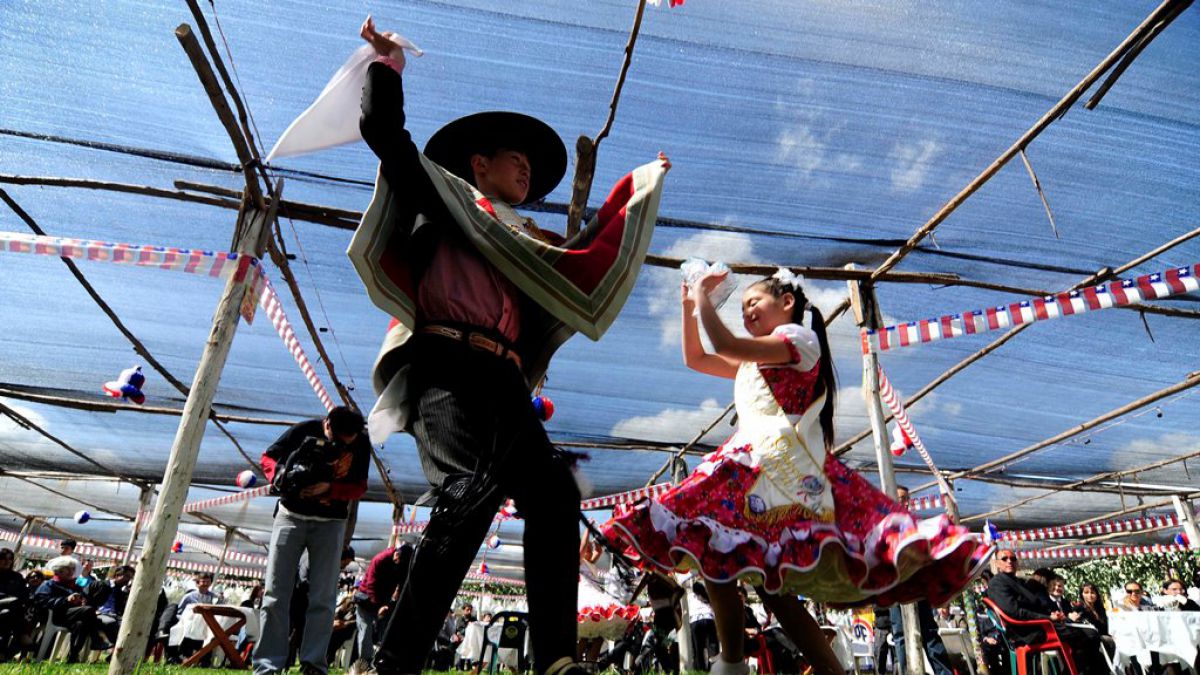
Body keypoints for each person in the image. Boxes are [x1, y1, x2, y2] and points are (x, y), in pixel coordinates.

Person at [354, 15, 667, 675]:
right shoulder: (445, 204)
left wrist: (629, 203)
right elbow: (387, 138)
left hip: (505, 382)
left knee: (554, 491)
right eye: (514, 158)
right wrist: (388, 69)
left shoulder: (527, 245)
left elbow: (583, 269)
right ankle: (395, 659)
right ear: (478, 165)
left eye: (531, 164)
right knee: (468, 492)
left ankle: (555, 659)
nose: (526, 168)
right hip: (446, 367)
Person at [604, 269, 992, 675]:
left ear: (787, 303)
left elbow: (722, 342)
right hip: (751, 462)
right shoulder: (755, 361)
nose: (746, 311)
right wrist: (689, 306)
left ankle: (742, 663)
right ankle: (739, 662)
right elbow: (697, 357)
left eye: (753, 302)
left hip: (777, 467)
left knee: (743, 567)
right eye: (742, 307)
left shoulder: (798, 340)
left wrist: (703, 294)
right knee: (726, 559)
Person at [254, 406, 371, 675]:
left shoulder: (362, 442)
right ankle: (268, 665)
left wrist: (330, 489)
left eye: (347, 443)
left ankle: (314, 664)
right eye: (337, 439)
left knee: (324, 596)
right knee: (275, 592)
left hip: (331, 524)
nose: (340, 445)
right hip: (290, 517)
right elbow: (268, 458)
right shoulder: (303, 430)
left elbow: (360, 486)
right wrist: (279, 475)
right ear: (326, 423)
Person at [985, 548, 1106, 674]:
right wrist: (1048, 618)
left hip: (1038, 626)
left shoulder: (1017, 581)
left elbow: (1031, 606)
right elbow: (1014, 612)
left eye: (1013, 559)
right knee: (1090, 635)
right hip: (1028, 631)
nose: (1009, 561)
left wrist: (1050, 614)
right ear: (997, 563)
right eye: (1004, 559)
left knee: (1090, 636)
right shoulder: (998, 583)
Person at [889, 487, 955, 675]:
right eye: (899, 498)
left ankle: (944, 672)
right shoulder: (885, 524)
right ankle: (906, 671)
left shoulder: (915, 524)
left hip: (918, 583)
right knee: (901, 634)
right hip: (895, 585)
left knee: (928, 631)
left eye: (905, 498)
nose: (904, 502)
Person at [33, 556, 109, 661]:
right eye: (67, 568)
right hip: (56, 615)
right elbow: (42, 602)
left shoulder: (74, 586)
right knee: (88, 610)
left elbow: (82, 598)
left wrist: (81, 601)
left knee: (81, 623)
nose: (71, 571)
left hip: (72, 616)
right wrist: (66, 600)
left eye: (73, 569)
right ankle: (96, 639)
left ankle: (73, 656)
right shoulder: (49, 584)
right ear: (58, 570)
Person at [353, 544, 413, 663]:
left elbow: (402, 584)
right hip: (366, 600)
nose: (397, 561)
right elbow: (371, 584)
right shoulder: (380, 559)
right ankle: (365, 663)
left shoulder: (403, 565)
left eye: (401, 561)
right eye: (397, 558)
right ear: (396, 553)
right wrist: (378, 606)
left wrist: (392, 604)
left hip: (384, 602)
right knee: (365, 631)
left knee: (385, 633)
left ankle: (383, 661)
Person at [176, 572, 220, 665]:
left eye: (207, 582)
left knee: (212, 634)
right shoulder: (189, 597)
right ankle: (186, 658)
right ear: (197, 583)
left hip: (208, 625)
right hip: (191, 625)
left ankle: (204, 660)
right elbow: (179, 612)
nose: (205, 584)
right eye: (203, 582)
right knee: (190, 629)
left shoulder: (214, 598)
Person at [91, 564, 134, 643]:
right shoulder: (101, 584)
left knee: (130, 629)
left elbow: (121, 609)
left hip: (114, 616)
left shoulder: (121, 593)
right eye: (127, 576)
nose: (128, 580)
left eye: (130, 578)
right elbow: (86, 598)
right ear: (118, 575)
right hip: (99, 614)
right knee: (115, 626)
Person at [0, 548, 28, 660]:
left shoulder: (17, 577)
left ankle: (3, 652)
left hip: (10, 610)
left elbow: (24, 594)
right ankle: (23, 636)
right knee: (14, 604)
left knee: (8, 613)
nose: (7, 561)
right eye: (3, 558)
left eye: (10, 559)